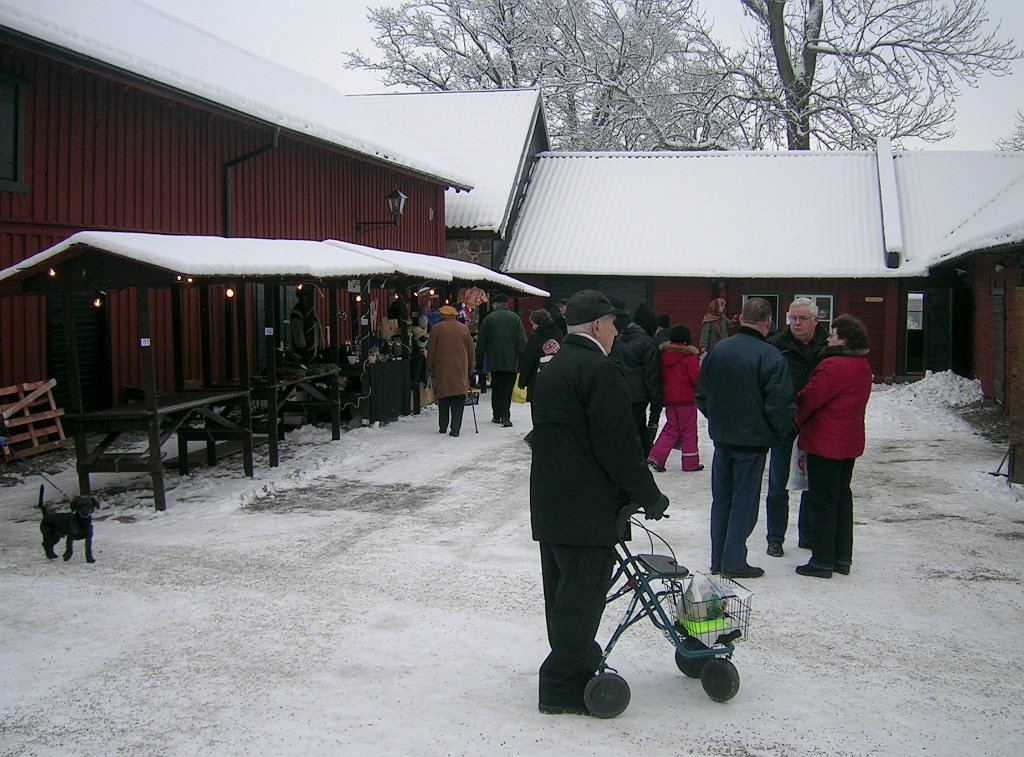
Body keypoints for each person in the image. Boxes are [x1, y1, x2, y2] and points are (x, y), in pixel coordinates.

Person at [530, 289, 668, 716]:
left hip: (551, 502)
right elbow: (618, 444)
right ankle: (560, 686)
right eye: (612, 325)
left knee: (563, 595)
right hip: (586, 508)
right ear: (596, 326)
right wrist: (649, 495)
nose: (615, 332)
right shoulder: (598, 369)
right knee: (583, 597)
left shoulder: (551, 368)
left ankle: (576, 664)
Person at [696, 298, 795, 579]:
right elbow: (780, 403)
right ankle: (734, 560)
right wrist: (776, 433)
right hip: (751, 443)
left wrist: (718, 419)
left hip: (723, 439)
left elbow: (702, 394)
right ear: (769, 322)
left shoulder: (718, 351)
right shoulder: (772, 356)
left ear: (740, 319)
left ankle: (718, 558)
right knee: (744, 504)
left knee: (722, 501)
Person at [794, 314, 873, 578]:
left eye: (834, 334)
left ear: (845, 339)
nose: (829, 338)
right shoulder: (862, 365)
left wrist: (794, 416)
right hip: (848, 442)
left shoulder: (833, 366)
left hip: (825, 442)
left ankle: (822, 560)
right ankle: (841, 557)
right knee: (841, 498)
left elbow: (811, 398)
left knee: (823, 500)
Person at [763, 297, 829, 557]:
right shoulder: (775, 346)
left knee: (812, 482)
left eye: (803, 319)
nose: (797, 323)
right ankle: (775, 537)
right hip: (784, 423)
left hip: (815, 422)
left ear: (816, 320)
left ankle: (808, 534)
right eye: (793, 318)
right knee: (778, 484)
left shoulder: (827, 346)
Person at [647, 325, 703, 473]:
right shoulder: (690, 357)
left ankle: (656, 456)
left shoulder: (664, 355)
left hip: (670, 400)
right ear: (686, 340)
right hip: (686, 401)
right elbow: (695, 378)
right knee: (689, 431)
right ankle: (690, 462)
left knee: (672, 428)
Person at [610, 303, 662, 456]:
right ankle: (639, 457)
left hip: (619, 390)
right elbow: (651, 373)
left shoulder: (619, 338)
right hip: (638, 394)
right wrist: (656, 398)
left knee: (629, 426)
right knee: (637, 427)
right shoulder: (647, 342)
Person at [475, 293, 526, 427]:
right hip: (511, 362)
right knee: (507, 389)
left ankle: (496, 414)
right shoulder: (515, 318)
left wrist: (479, 363)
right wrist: (522, 361)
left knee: (496, 387)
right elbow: (522, 342)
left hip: (494, 361)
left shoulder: (489, 319)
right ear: (506, 304)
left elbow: (481, 343)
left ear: (495, 304)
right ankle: (505, 415)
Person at [426, 305, 476, 437]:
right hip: (460, 369)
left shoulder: (436, 329)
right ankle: (455, 428)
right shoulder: (464, 329)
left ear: (442, 315)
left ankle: (443, 426)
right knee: (458, 399)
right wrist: (471, 368)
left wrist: (430, 369)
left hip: (441, 369)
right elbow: (471, 351)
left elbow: (431, 351)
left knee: (444, 398)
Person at [647, 313, 673, 436]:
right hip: (674, 381)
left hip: (659, 377)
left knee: (655, 408)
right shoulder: (674, 336)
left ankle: (651, 434)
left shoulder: (656, 339)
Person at [289, 286, 323, 364]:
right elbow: (299, 337)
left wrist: (320, 347)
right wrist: (305, 351)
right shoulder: (297, 313)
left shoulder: (310, 312)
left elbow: (318, 331)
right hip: (303, 354)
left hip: (314, 351)